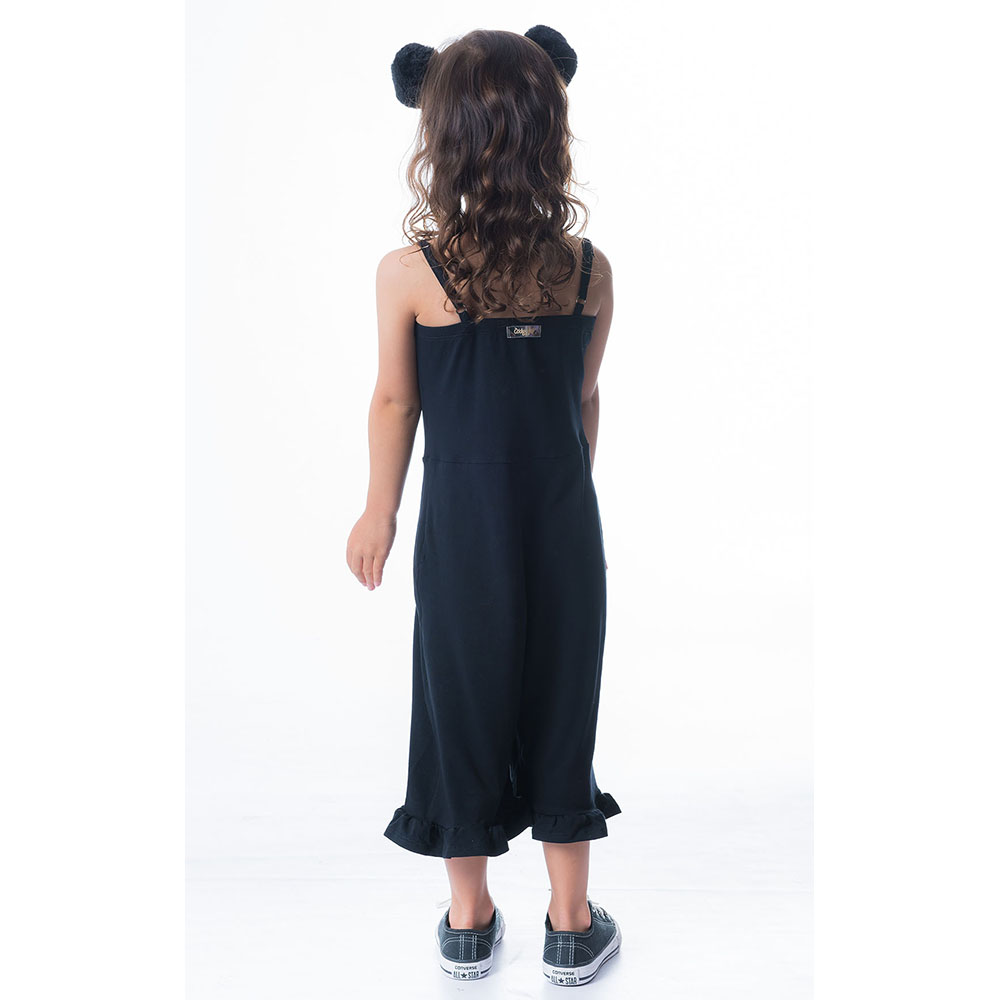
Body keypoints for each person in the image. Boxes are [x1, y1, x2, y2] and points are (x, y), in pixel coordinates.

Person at [346, 25, 622, 987]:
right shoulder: (586, 270)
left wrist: (379, 512)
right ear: (551, 132)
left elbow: (397, 402)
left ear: (440, 136)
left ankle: (468, 922)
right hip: (563, 526)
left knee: (458, 701)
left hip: (462, 533)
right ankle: (571, 924)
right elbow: (582, 402)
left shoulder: (410, 273)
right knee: (561, 703)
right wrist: (565, 499)